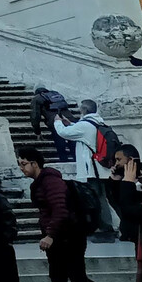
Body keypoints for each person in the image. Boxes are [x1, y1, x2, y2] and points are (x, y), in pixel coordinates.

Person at [18, 146, 131, 282]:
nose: (21, 168)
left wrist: (50, 235)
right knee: (60, 280)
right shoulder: (42, 182)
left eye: (23, 164)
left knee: (78, 280)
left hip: (66, 238)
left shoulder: (50, 181)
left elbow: (60, 209)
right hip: (62, 239)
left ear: (34, 163)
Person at [51, 101, 120, 241]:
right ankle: (106, 227)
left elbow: (64, 133)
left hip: (92, 170)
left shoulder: (85, 125)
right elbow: (81, 131)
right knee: (102, 199)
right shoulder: (99, 123)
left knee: (97, 200)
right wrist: (70, 123)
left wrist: (57, 122)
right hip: (102, 168)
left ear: (83, 110)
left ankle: (105, 228)